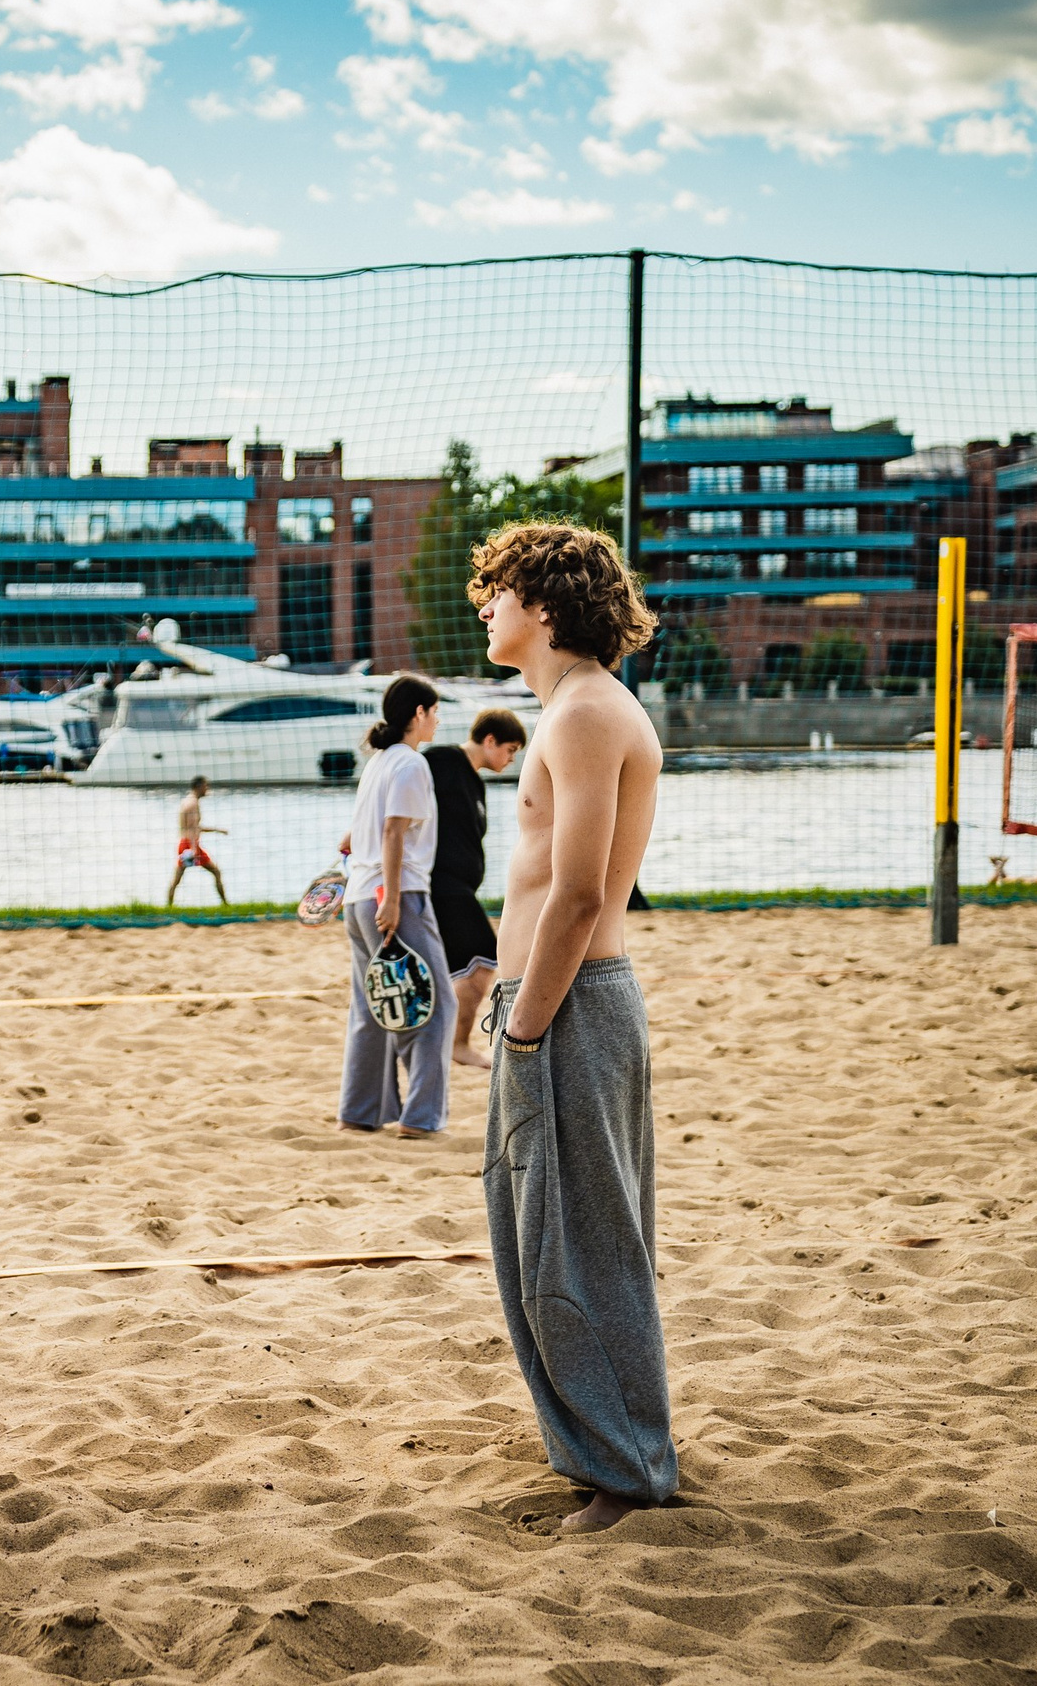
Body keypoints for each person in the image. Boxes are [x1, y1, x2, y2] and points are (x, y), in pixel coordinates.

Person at [467, 519, 672, 1535]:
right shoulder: (577, 709)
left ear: (545, 605)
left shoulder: (587, 712)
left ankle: (625, 1476)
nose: (484, 605)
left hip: (568, 1005)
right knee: (560, 1237)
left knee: (572, 1248)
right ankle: (613, 1453)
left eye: (499, 590)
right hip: (565, 1002)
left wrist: (523, 1028)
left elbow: (581, 893)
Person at [336, 675, 457, 1139]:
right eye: (434, 710)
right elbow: (392, 831)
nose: (438, 719)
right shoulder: (410, 762)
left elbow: (354, 836)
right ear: (418, 714)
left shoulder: (379, 762)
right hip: (395, 896)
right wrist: (391, 899)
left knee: (371, 1007)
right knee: (435, 1004)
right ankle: (421, 1120)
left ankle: (359, 1111)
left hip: (358, 898)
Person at [427, 708, 527, 1068]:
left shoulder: (474, 780)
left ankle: (445, 1042)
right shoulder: (443, 760)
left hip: (458, 889)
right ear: (490, 740)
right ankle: (457, 1044)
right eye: (510, 749)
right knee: (482, 962)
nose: (512, 759)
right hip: (441, 886)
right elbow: (396, 794)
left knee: (457, 969)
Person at [167, 775, 228, 905]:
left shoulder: (187, 801)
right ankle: (226, 904)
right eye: (206, 786)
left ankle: (169, 906)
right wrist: (194, 848)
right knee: (216, 872)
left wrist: (217, 830)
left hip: (186, 843)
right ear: (199, 786)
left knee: (177, 878)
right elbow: (192, 828)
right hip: (190, 844)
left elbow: (194, 827)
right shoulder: (193, 804)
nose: (207, 789)